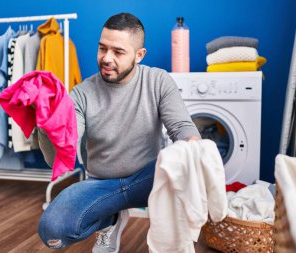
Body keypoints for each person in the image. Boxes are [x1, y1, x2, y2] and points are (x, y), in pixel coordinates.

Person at [37, 12, 201, 252]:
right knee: (52, 232)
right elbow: (62, 157)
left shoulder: (158, 81)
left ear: (139, 55)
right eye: (102, 48)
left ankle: (171, 239)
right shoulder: (81, 94)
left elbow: (181, 128)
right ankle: (110, 219)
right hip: (100, 185)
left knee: (188, 165)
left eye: (118, 52)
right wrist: (46, 124)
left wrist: (194, 148)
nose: (106, 58)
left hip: (148, 179)